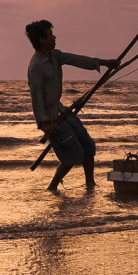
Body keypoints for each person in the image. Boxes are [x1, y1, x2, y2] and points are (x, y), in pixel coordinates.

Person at [25, 19, 119, 191]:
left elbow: (76, 60)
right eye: (51, 35)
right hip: (51, 118)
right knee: (73, 154)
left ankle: (90, 185)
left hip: (62, 111)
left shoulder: (55, 56)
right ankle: (52, 186)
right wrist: (45, 124)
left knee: (88, 145)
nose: (55, 38)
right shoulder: (36, 67)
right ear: (41, 39)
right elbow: (36, 98)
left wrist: (104, 63)